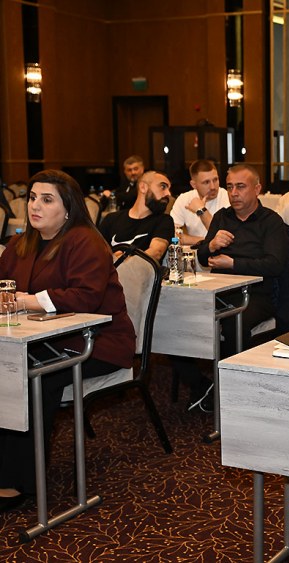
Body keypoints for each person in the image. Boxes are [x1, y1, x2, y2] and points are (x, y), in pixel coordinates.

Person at [0, 170, 135, 512]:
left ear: (68, 209)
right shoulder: (20, 244)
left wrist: (26, 301)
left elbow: (85, 297)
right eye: (32, 197)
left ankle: (17, 480)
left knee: (32, 377)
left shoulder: (86, 241)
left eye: (47, 200)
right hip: (38, 339)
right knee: (8, 367)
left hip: (96, 342)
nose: (35, 206)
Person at [197, 164, 289, 355]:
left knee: (233, 322)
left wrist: (233, 264)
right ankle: (195, 374)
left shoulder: (271, 221)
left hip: (256, 295)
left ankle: (230, 371)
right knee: (183, 314)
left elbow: (274, 265)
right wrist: (211, 245)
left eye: (240, 187)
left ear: (257, 189)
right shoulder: (221, 217)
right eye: (230, 187)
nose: (234, 193)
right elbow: (203, 259)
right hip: (219, 291)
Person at [98, 170, 175, 262]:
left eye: (169, 189)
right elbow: (95, 252)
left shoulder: (164, 221)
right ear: (143, 187)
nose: (168, 194)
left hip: (139, 271)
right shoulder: (111, 219)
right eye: (163, 187)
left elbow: (156, 252)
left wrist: (121, 262)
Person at [170, 159, 230, 245]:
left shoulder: (228, 197)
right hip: (194, 250)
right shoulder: (184, 199)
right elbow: (173, 235)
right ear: (194, 185)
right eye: (206, 182)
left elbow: (224, 238)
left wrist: (201, 210)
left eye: (215, 180)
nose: (213, 187)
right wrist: (206, 241)